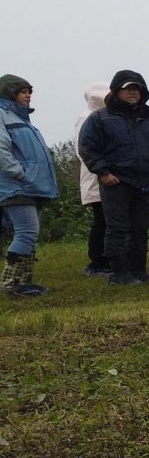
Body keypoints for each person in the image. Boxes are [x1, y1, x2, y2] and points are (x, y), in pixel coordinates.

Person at [78, 70, 149, 286]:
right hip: (116, 182)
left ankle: (139, 271)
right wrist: (103, 172)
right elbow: (87, 147)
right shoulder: (99, 118)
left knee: (140, 228)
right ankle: (118, 273)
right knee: (117, 228)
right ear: (116, 91)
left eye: (136, 88)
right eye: (128, 88)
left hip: (145, 183)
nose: (132, 92)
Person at [0, 74, 59, 297]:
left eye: (29, 92)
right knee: (26, 232)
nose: (28, 96)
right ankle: (11, 284)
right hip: (16, 185)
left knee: (29, 233)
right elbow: (1, 149)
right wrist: (19, 172)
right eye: (23, 92)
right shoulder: (3, 116)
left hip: (31, 184)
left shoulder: (22, 119)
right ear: (9, 93)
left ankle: (24, 282)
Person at [75, 82, 112, 276]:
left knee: (109, 220)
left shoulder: (110, 117)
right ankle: (97, 261)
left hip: (109, 175)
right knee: (101, 221)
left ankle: (108, 259)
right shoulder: (87, 118)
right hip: (96, 177)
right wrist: (103, 168)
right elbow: (83, 150)